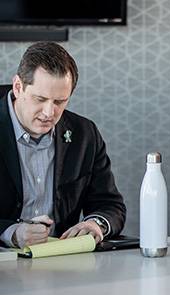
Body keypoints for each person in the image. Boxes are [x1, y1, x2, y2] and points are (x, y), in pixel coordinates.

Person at [0, 42, 126, 248]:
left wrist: (96, 224)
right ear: (18, 87)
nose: (49, 113)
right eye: (40, 99)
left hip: (61, 259)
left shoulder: (85, 134)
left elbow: (110, 204)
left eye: (59, 101)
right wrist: (10, 232)